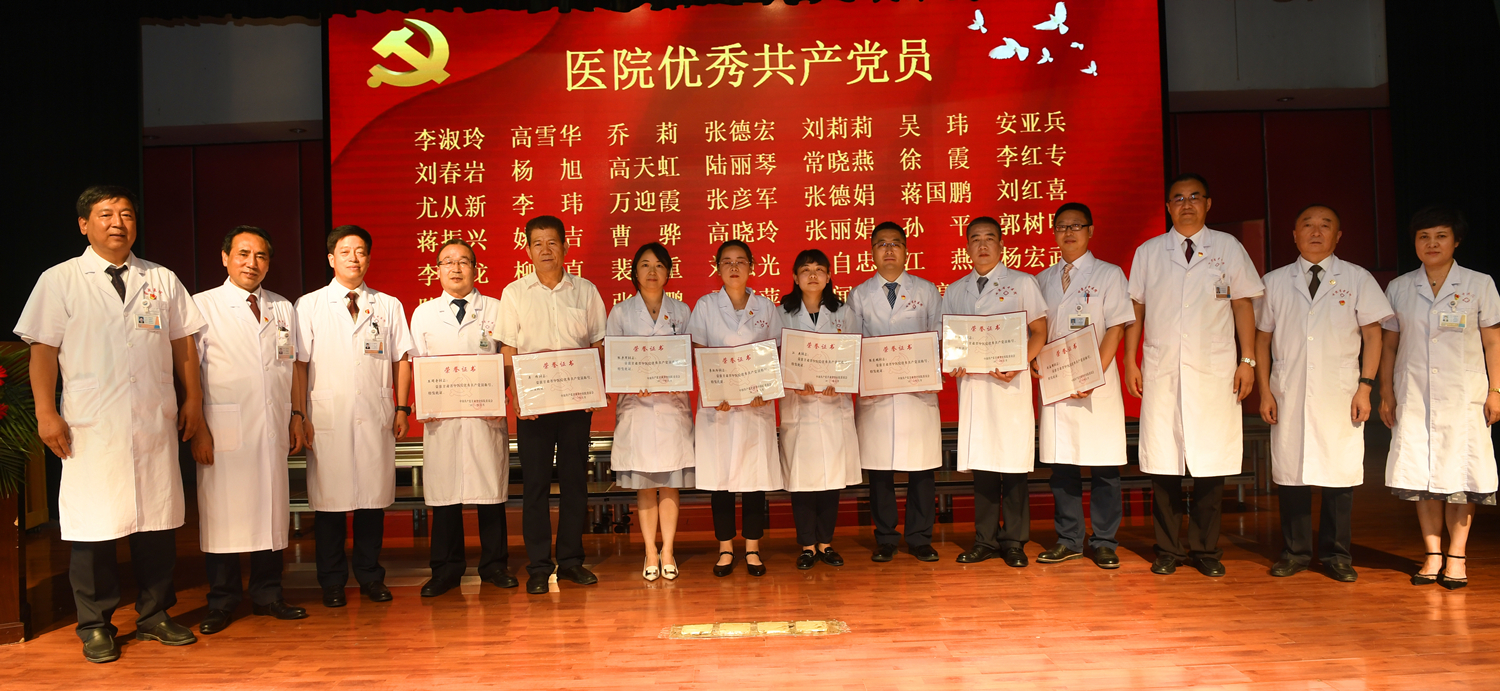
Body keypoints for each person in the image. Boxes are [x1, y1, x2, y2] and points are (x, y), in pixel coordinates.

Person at [15, 185, 206, 663]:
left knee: (157, 524)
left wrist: (194, 400)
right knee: (93, 529)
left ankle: (155, 615)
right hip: (91, 425)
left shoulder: (160, 278)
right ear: (84, 224)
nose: (118, 222)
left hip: (152, 420)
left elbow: (183, 343)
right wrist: (45, 412)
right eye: (106, 214)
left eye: (126, 214)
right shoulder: (59, 280)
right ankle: (95, 625)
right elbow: (43, 352)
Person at [1124, 173, 1264, 578]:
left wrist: (1248, 360)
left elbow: (1242, 305)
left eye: (1194, 197)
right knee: (1164, 464)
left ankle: (1206, 550)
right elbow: (1136, 310)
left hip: (1214, 371)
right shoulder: (1150, 252)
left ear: (1208, 204)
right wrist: (1130, 360)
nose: (1186, 204)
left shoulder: (1228, 247)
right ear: (1168, 207)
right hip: (1162, 368)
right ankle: (1167, 549)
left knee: (1210, 465)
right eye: (1178, 198)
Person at [1254, 205, 1390, 582]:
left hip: (1340, 392)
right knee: (1292, 473)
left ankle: (1337, 556)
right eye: (1308, 225)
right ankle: (1295, 552)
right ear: (1294, 235)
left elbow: (1373, 336)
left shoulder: (1358, 278)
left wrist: (1366, 387)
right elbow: (1261, 340)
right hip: (1289, 390)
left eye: (1325, 225)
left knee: (1338, 474)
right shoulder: (1275, 282)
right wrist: (1265, 391)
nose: (1316, 232)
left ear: (1338, 235)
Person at [192, 226, 310, 635]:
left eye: (260, 256)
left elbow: (292, 364)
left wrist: (297, 414)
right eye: (243, 254)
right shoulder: (202, 305)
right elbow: (189, 371)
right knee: (222, 515)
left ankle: (268, 594)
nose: (251, 263)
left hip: (273, 423)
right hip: (223, 426)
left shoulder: (282, 307)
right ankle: (222, 600)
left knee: (271, 510)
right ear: (225, 257)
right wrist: (198, 427)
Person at [1379, 204, 1500, 590]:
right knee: (1423, 475)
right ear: (1415, 242)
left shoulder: (1479, 284)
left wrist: (1496, 390)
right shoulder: (1399, 287)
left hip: (1464, 395)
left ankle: (1457, 556)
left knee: (1461, 474)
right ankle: (1432, 554)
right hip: (1414, 393)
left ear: (1456, 241)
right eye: (1424, 237)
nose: (1432, 243)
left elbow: (1493, 342)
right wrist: (1386, 391)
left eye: (1441, 236)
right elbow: (1389, 345)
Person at [295, 225, 414, 607]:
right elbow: (299, 364)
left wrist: (402, 407)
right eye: (345, 252)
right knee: (329, 505)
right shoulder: (309, 305)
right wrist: (300, 413)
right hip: (326, 416)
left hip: (375, 414)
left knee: (371, 504)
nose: (354, 258)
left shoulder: (388, 304)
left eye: (361, 251)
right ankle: (331, 582)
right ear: (331, 258)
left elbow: (402, 358)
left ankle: (370, 576)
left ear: (369, 258)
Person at [498, 215, 607, 595]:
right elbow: (508, 348)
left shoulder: (585, 291)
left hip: (576, 403)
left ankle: (572, 561)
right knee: (536, 486)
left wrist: (594, 389)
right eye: (537, 243)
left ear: (565, 246)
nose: (545, 250)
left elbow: (598, 344)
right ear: (528, 250)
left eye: (552, 242)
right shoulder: (514, 293)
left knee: (575, 482)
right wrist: (517, 395)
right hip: (535, 405)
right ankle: (539, 566)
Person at [408, 238, 517, 596]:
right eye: (448, 262)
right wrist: (423, 401)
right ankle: (445, 570)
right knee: (445, 496)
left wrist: (501, 393)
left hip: (485, 417)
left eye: (463, 261)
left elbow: (507, 358)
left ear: (475, 269)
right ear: (436, 270)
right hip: (442, 420)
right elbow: (417, 364)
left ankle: (495, 566)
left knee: (490, 494)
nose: (455, 268)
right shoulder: (424, 313)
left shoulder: (496, 309)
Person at [944, 217, 1049, 568]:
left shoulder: (1022, 282)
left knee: (1013, 465)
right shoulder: (955, 290)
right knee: (984, 465)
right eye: (975, 239)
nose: (983, 245)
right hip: (975, 388)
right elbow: (950, 340)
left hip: (1010, 386)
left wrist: (1020, 363)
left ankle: (1015, 542)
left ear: (1002, 245)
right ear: (967, 248)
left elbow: (1039, 331)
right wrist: (954, 361)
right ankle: (985, 540)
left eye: (990, 238)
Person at [1034, 203, 1134, 569]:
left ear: (1090, 231)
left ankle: (1104, 541)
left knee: (1104, 466)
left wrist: (1093, 374)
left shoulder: (1109, 274)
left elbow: (1116, 328)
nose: (1069, 232)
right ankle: (1069, 539)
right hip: (1057, 385)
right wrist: (1033, 358)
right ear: (1054, 232)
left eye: (1076, 225)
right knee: (1063, 467)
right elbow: (1036, 330)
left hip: (1096, 384)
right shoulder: (1041, 279)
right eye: (1062, 226)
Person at [846, 221, 943, 563]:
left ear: (906, 250)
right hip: (878, 397)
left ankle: (920, 538)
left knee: (922, 470)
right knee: (880, 472)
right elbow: (853, 344)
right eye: (881, 244)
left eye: (895, 243)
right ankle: (886, 537)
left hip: (917, 396)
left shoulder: (927, 290)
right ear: (872, 252)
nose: (889, 249)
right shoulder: (858, 295)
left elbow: (939, 337)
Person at [688, 239, 784, 577]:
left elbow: (776, 353)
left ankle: (753, 548)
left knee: (755, 479)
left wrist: (764, 389)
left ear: (752, 267)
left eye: (740, 261)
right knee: (721, 480)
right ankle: (726, 548)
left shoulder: (766, 307)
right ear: (717, 268)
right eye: (726, 261)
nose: (733, 267)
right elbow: (698, 352)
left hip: (755, 407)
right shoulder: (705, 306)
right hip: (720, 408)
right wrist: (718, 390)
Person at [605, 242, 695, 581]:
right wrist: (632, 381)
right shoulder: (620, 313)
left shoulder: (682, 311)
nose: (652, 271)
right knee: (644, 484)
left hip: (671, 407)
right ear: (634, 273)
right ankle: (649, 552)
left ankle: (668, 550)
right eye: (645, 265)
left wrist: (674, 376)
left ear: (668, 272)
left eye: (659, 265)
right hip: (638, 408)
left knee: (670, 482)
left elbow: (690, 357)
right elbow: (615, 361)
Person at [778, 249, 862, 570]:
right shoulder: (782, 314)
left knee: (831, 479)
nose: (812, 275)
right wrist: (792, 381)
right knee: (802, 480)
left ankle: (826, 543)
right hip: (798, 405)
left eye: (819, 270)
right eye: (805, 270)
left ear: (828, 277)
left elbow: (855, 355)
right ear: (795, 277)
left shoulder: (844, 313)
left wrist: (840, 380)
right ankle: (807, 546)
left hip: (832, 405)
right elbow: (771, 357)